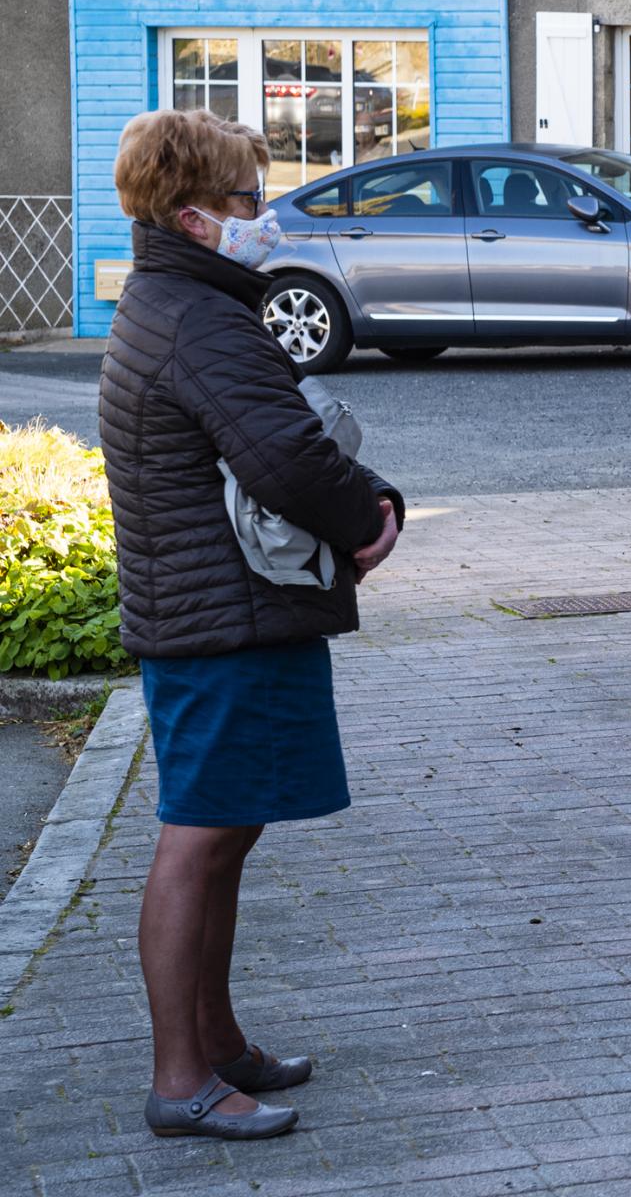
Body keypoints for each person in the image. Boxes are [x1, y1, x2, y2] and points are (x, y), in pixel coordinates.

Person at [95, 110, 404, 1138]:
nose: (261, 215)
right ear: (191, 215)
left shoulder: (177, 299)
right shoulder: (198, 318)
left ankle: (217, 1042)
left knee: (225, 834)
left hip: (217, 609)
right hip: (218, 618)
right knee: (200, 838)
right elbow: (282, 455)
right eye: (244, 200)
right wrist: (372, 513)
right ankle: (181, 1077)